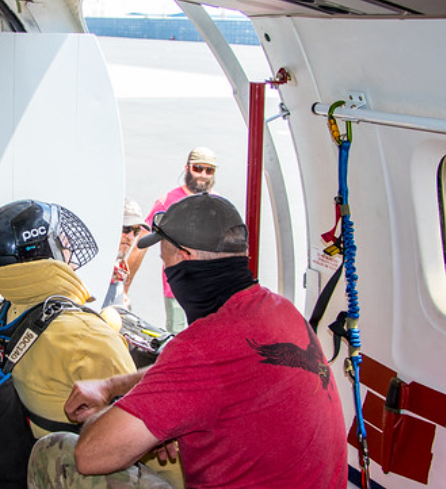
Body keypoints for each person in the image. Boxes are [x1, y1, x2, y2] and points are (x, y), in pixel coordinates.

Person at [28, 193, 347, 489]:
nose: (167, 272)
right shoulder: (281, 310)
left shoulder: (204, 346)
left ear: (184, 257)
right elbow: (210, 373)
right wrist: (114, 386)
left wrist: (114, 412)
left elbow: (93, 454)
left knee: (57, 452)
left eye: (166, 263)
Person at [0, 200, 136, 437]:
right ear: (43, 253)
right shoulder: (88, 336)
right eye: (62, 241)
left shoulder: (9, 309)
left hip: (30, 446)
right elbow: (138, 425)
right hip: (72, 464)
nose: (69, 245)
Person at [126, 146, 218, 333]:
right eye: (198, 168)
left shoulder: (218, 204)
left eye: (209, 170)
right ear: (187, 168)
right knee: (178, 340)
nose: (203, 175)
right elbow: (142, 244)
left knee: (207, 340)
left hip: (209, 289)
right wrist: (124, 287)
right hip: (177, 286)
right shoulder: (168, 201)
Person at [102, 197, 148, 309]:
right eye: (126, 228)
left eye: (136, 231)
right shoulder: (93, 264)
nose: (131, 237)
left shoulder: (119, 268)